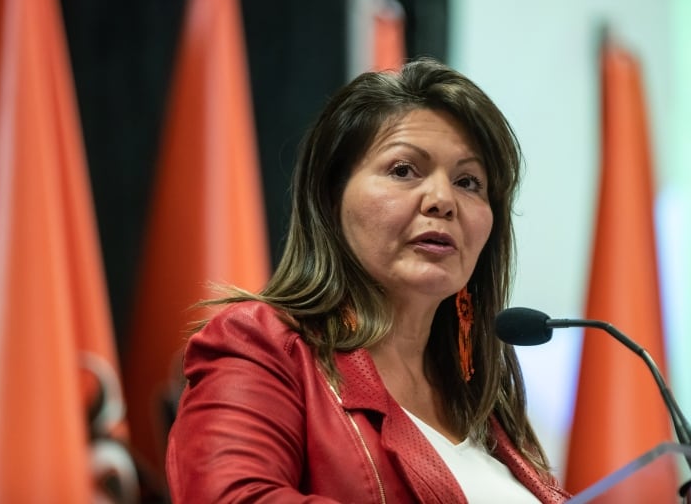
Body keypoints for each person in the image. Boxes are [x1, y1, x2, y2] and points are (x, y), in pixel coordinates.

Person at [165, 57, 571, 503]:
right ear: (331, 197)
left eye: (469, 182)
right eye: (403, 170)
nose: (442, 200)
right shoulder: (263, 345)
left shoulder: (487, 404)